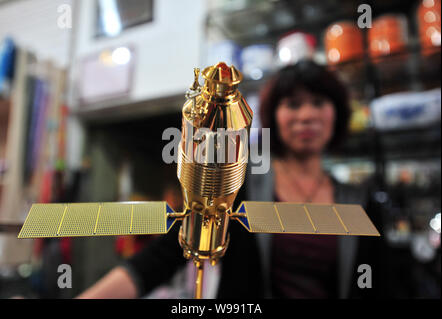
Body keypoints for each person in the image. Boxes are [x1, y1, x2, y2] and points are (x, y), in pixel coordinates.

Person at [78, 60, 385, 299]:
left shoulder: (360, 202)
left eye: (318, 103)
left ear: (337, 113)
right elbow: (166, 254)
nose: (306, 115)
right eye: (293, 104)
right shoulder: (237, 184)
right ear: (273, 116)